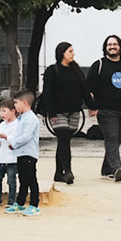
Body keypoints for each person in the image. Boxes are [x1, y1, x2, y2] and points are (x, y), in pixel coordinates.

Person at [83, 33, 121, 182]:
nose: (112, 47)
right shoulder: (99, 65)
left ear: (120, 47)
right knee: (111, 137)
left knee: (117, 139)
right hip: (104, 109)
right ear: (105, 48)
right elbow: (88, 89)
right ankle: (117, 167)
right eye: (109, 45)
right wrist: (92, 106)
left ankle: (106, 169)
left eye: (115, 44)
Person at [36, 41, 87, 185]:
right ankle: (68, 171)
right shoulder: (53, 70)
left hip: (74, 111)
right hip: (58, 113)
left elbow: (84, 89)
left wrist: (92, 106)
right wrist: (51, 112)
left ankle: (58, 173)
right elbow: (48, 92)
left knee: (64, 142)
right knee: (64, 140)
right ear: (62, 53)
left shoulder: (76, 70)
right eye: (70, 51)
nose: (73, 54)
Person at [0, 89, 41, 215]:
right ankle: (20, 203)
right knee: (23, 180)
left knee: (31, 179)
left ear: (24, 103)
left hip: (29, 153)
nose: (15, 105)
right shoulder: (22, 118)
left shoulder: (31, 119)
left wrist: (14, 143)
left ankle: (34, 205)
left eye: (16, 103)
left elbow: (26, 136)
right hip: (21, 153)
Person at [0, 99, 18, 207]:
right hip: (1, 158)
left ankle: (12, 200)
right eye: (1, 111)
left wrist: (7, 137)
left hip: (12, 159)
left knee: (11, 180)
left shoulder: (17, 124)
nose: (2, 114)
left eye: (4, 111)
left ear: (13, 111)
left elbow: (16, 140)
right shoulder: (2, 125)